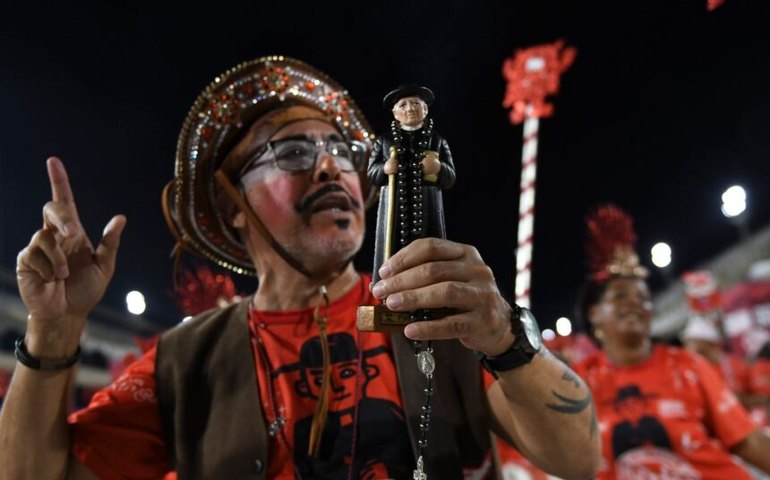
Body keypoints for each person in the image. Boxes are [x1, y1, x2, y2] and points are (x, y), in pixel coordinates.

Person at [0, 56, 600, 480]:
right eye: (292, 152)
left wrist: (505, 339)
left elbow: (577, 459)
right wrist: (54, 328)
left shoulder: (445, 312)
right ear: (232, 206)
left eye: (342, 152)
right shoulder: (185, 362)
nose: (331, 169)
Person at [572, 204, 770, 479]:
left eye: (643, 297)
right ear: (593, 313)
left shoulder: (688, 365)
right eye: (620, 296)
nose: (635, 304)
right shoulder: (578, 383)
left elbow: (747, 440)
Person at [368, 84, 455, 286]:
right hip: (393, 208)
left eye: (416, 103)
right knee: (390, 254)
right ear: (395, 113)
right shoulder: (384, 141)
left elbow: (450, 177)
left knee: (428, 254)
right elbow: (372, 173)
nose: (410, 108)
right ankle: (387, 291)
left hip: (427, 207)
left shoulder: (437, 141)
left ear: (425, 109)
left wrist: (439, 167)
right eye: (403, 105)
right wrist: (385, 168)